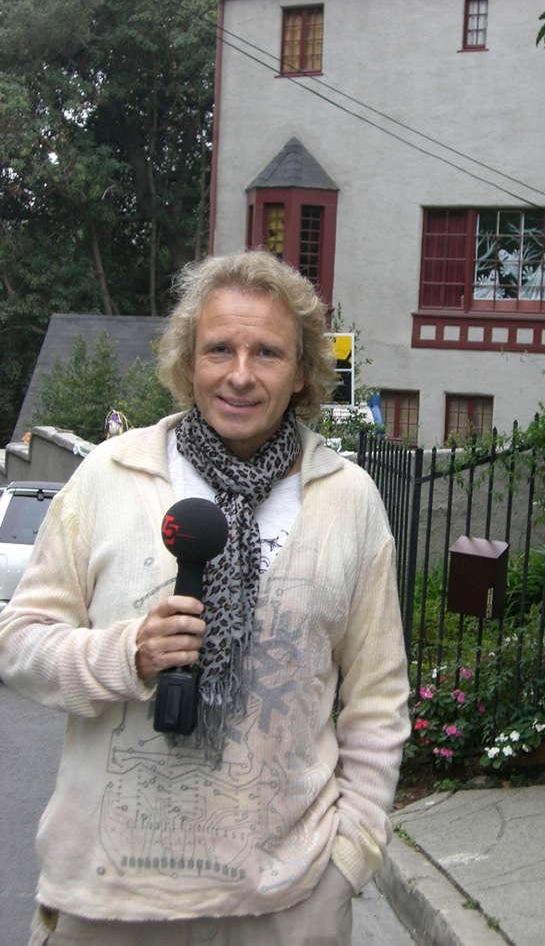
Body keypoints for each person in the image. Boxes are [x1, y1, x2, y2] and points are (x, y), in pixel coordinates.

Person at [0, 249, 411, 946]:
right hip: (109, 900)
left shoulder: (348, 499)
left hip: (287, 903)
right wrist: (125, 651)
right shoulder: (110, 475)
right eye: (219, 348)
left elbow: (377, 699)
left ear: (304, 370)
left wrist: (351, 859)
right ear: (188, 361)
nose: (241, 374)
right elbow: (18, 642)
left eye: (269, 352)